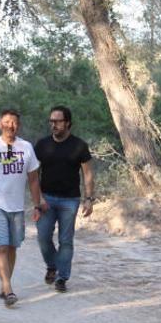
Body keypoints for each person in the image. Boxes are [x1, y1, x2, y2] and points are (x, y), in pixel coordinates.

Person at [0, 109, 44, 307]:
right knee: (1, 246)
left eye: (14, 122)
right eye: (6, 122)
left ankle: (5, 286)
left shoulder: (26, 147)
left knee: (12, 246)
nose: (10, 125)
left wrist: (37, 204)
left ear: (18, 125)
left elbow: (33, 179)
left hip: (17, 207)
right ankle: (8, 287)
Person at [34, 106, 94, 293]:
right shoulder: (42, 145)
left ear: (67, 122)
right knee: (43, 237)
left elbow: (88, 174)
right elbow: (34, 175)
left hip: (70, 200)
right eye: (52, 121)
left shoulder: (79, 146)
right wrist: (37, 200)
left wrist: (89, 199)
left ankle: (61, 278)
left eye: (58, 121)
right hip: (46, 199)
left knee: (66, 240)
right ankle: (52, 265)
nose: (54, 125)